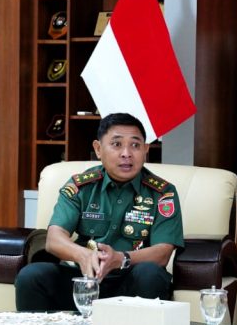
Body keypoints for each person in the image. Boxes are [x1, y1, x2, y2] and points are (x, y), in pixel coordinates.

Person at [15, 113, 182, 311]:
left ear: (145, 150)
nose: (126, 153)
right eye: (117, 144)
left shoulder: (162, 193)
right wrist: (83, 255)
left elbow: (163, 252)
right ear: (98, 149)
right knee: (32, 276)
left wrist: (121, 259)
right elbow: (54, 239)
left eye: (135, 145)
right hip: (84, 278)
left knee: (151, 275)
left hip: (131, 280)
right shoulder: (80, 186)